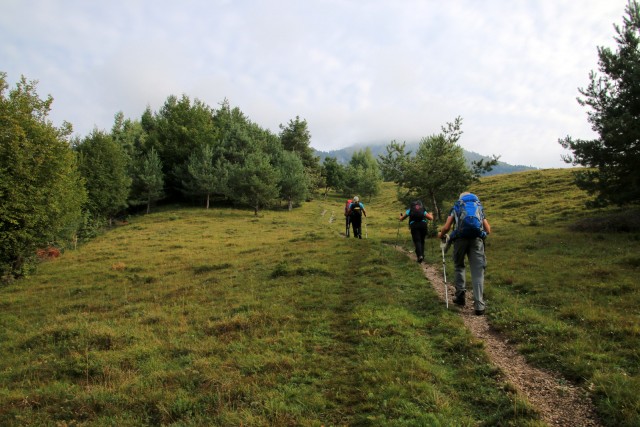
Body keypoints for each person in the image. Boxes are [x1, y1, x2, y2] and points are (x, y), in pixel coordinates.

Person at [437, 192, 492, 315]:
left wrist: (440, 235)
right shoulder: (478, 206)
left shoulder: (457, 206)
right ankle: (479, 306)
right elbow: (488, 229)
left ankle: (460, 297)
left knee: (459, 266)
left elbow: (446, 227)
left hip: (459, 240)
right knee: (477, 272)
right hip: (477, 241)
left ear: (460, 198)